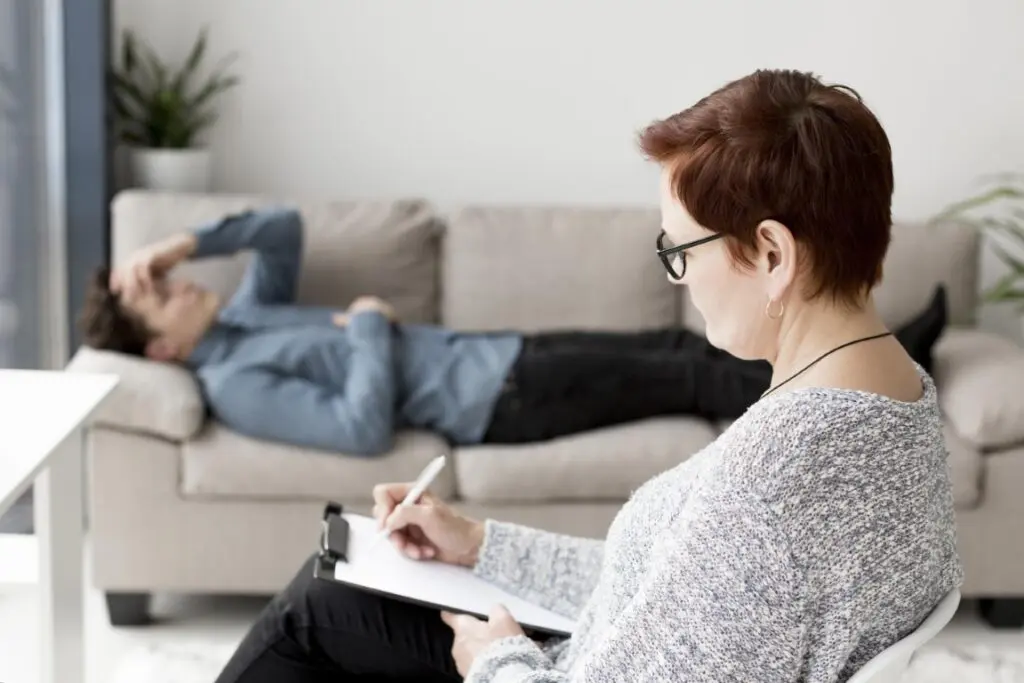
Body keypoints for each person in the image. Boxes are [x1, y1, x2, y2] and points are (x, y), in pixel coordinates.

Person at [209, 69, 962, 682]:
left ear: (771, 254)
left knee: (312, 611)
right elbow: (669, 597)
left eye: (682, 252)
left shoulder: (773, 477)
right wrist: (479, 544)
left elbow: (701, 598)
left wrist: (495, 657)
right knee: (329, 589)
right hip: (586, 651)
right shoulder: (894, 400)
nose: (682, 281)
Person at [80, 199, 947, 455]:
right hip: (500, 402)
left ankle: (863, 360)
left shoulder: (247, 312)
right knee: (688, 374)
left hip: (504, 353)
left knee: (683, 348)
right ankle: (857, 389)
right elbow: (358, 426)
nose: (182, 283)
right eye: (162, 293)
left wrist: (178, 239)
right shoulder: (231, 383)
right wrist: (371, 329)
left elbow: (281, 230)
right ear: (160, 349)